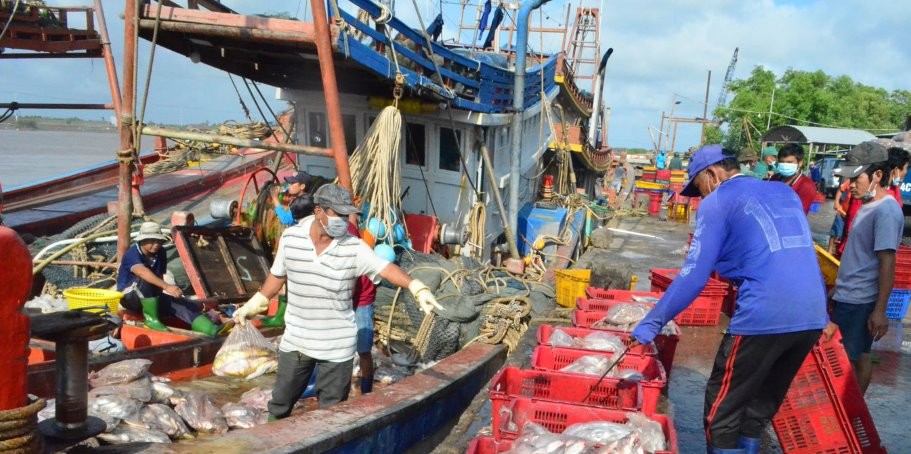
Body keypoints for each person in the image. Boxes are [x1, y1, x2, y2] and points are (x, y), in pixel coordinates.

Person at [631, 144, 828, 454]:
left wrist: (651, 323)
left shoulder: (718, 201)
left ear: (712, 174)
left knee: (721, 415)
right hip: (813, 314)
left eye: (699, 188)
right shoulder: (784, 192)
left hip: (764, 313)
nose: (701, 197)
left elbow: (693, 275)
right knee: (758, 409)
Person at [232, 184, 444, 417]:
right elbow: (277, 275)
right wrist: (257, 301)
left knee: (332, 412)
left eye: (346, 215)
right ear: (319, 211)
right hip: (297, 341)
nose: (343, 221)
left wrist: (415, 286)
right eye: (338, 214)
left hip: (337, 347)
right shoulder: (291, 238)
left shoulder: (353, 247)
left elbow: (385, 268)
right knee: (280, 403)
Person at [830, 141, 903, 395]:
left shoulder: (886, 211)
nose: (850, 185)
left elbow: (887, 261)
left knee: (846, 360)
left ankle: (848, 407)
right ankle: (851, 408)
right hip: (848, 294)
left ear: (877, 175)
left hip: (860, 300)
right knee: (859, 355)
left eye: (856, 178)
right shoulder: (866, 206)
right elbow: (859, 255)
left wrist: (880, 311)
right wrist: (838, 287)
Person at [117, 222, 229, 336]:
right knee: (146, 278)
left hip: (151, 297)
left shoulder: (160, 252)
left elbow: (160, 275)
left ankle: (211, 329)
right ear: (142, 240)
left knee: (183, 304)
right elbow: (141, 272)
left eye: (159, 241)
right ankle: (151, 320)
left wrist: (166, 297)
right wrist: (167, 287)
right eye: (152, 241)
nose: (156, 244)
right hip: (129, 297)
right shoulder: (132, 254)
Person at [770, 143, 817, 214]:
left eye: (789, 162)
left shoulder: (807, 185)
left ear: (800, 163)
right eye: (782, 162)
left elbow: (799, 213)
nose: (785, 165)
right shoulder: (774, 178)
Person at [828, 179, 850, 255]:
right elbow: (840, 189)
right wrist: (836, 202)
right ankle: (829, 251)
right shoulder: (850, 181)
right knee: (835, 232)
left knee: (846, 236)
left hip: (851, 216)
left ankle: (839, 253)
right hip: (841, 211)